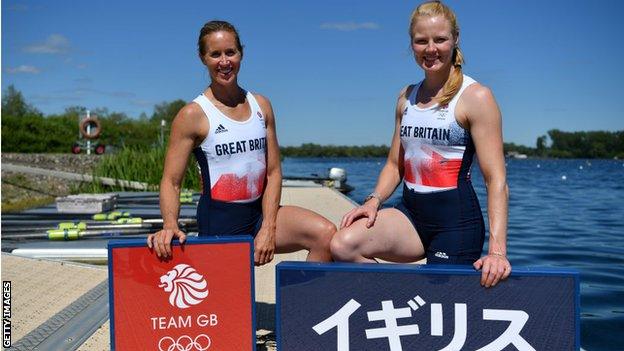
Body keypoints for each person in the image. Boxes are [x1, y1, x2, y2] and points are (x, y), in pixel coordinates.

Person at [330, 1, 511, 288]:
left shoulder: (476, 97)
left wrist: (498, 251)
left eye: (440, 39)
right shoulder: (407, 96)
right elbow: (394, 164)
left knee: (438, 303)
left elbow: (496, 179)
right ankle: (398, 303)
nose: (431, 49)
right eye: (421, 41)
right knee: (343, 246)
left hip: (456, 223)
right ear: (411, 44)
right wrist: (374, 200)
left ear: (455, 39)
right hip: (411, 215)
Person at [147, 20, 335, 265]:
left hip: (259, 216)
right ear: (203, 58)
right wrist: (170, 225)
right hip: (219, 226)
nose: (224, 61)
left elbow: (274, 172)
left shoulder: (261, 105)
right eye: (215, 54)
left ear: (241, 54)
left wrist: (268, 228)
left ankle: (305, 303)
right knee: (233, 304)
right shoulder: (192, 115)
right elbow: (171, 182)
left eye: (230, 52)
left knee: (325, 235)